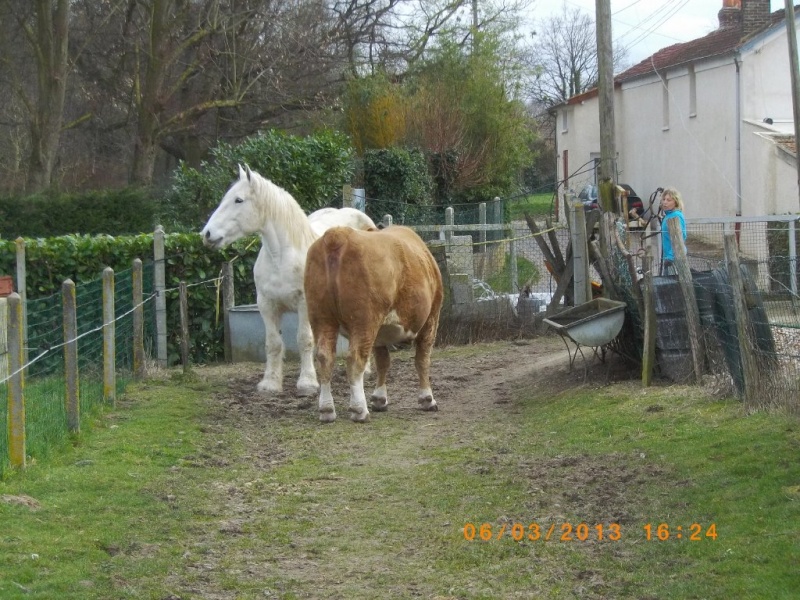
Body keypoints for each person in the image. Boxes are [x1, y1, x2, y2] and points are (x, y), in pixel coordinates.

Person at [660, 187, 687, 275]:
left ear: (676, 202)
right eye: (664, 199)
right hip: (668, 257)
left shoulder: (676, 216)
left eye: (669, 200)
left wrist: (671, 257)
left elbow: (681, 237)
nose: (665, 202)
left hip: (675, 258)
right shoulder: (667, 216)